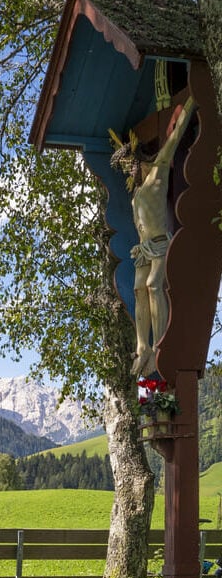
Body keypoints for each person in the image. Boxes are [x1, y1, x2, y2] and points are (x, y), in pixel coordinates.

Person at [111, 95, 196, 377]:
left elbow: (173, 139)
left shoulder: (158, 172)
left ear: (139, 159)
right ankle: (142, 347)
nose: (129, 173)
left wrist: (193, 99)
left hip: (161, 243)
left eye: (129, 166)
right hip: (144, 248)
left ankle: (160, 343)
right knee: (139, 289)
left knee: (153, 285)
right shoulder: (136, 192)